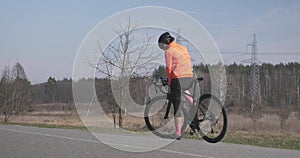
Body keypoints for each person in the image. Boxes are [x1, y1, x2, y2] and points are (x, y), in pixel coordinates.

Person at [158, 32, 194, 140]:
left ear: (164, 44)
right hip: (189, 76)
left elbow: (169, 68)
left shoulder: (169, 51)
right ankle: (194, 103)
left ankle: (178, 132)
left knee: (177, 105)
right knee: (185, 90)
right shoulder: (182, 47)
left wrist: (169, 81)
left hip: (178, 78)